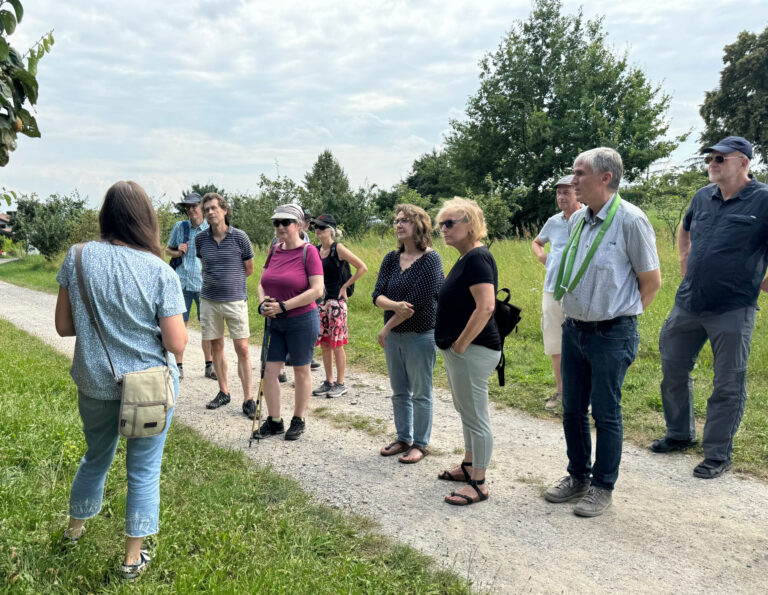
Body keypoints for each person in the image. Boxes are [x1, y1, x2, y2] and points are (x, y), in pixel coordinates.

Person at [54, 181, 187, 580]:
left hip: (95, 383)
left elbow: (63, 327)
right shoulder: (160, 271)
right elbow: (177, 343)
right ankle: (132, 560)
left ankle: (74, 531)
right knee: (143, 469)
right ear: (146, 220)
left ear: (105, 216)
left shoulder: (76, 257)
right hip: (148, 387)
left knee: (95, 456)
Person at [544, 147, 661, 517]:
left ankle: (602, 485)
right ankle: (577, 475)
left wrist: (619, 317)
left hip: (611, 333)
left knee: (606, 412)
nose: (573, 180)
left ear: (605, 177)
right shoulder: (578, 220)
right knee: (572, 408)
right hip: (574, 329)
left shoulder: (630, 220)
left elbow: (651, 281)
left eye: (579, 173)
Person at [651, 136, 768, 479]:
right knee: (672, 368)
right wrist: (684, 257)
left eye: (720, 158)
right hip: (688, 303)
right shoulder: (703, 197)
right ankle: (679, 434)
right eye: (710, 159)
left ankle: (717, 453)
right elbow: (685, 229)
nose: (712, 164)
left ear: (744, 162)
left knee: (727, 383)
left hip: (733, 308)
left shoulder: (762, 200)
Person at [434, 197, 501, 504]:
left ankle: (479, 483)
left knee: (476, 414)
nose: (443, 229)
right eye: (440, 224)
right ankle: (469, 465)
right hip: (462, 349)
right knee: (466, 411)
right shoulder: (465, 258)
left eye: (450, 223)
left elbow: (486, 306)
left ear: (470, 224)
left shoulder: (477, 259)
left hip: (473, 350)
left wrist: (461, 343)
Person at [372, 205, 444, 463]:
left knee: (421, 392)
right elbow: (376, 295)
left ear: (420, 226)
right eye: (397, 220)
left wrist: (385, 327)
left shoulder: (431, 259)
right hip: (395, 338)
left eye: (405, 221)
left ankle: (421, 444)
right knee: (399, 391)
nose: (399, 224)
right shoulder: (391, 259)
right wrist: (393, 306)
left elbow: (416, 303)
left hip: (420, 335)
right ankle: (404, 438)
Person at [257, 203, 324, 441]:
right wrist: (263, 303)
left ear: (298, 225)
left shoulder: (309, 252)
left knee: (301, 370)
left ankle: (299, 418)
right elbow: (262, 281)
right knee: (269, 371)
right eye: (276, 222)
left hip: (301, 320)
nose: (280, 227)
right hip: (275, 322)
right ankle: (274, 421)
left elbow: (317, 289)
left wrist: (284, 305)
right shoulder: (274, 249)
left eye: (285, 222)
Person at [195, 193, 256, 417]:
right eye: (207, 209)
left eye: (214, 208)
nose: (210, 212)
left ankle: (248, 398)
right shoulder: (200, 239)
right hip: (209, 300)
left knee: (243, 348)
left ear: (224, 210)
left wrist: (231, 284)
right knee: (216, 347)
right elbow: (205, 265)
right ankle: (223, 391)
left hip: (235, 301)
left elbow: (249, 268)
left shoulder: (240, 237)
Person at [532, 175, 582, 410]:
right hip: (552, 290)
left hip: (581, 292)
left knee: (583, 343)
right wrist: (544, 258)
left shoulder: (588, 218)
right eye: (559, 192)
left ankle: (584, 396)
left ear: (577, 192)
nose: (561, 197)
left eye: (567, 192)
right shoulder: (553, 221)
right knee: (555, 343)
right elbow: (537, 242)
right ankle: (561, 392)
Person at [312, 214, 368, 398]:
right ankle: (328, 381)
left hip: (336, 302)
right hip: (322, 302)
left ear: (330, 230)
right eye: (315, 227)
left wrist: (345, 286)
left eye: (320, 227)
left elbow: (362, 267)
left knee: (337, 344)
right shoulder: (316, 250)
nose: (316, 230)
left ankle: (341, 382)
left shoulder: (338, 249)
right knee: (325, 344)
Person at [165, 192, 216, 381]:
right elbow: (167, 250)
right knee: (179, 326)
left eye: (194, 206)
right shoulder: (180, 227)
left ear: (201, 207)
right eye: (187, 207)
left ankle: (209, 366)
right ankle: (178, 367)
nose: (190, 210)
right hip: (182, 284)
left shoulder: (210, 229)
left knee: (207, 326)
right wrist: (177, 251)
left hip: (204, 285)